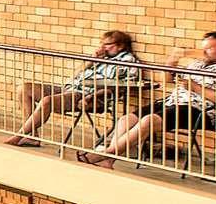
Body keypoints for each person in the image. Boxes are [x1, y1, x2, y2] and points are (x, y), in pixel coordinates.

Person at [86, 30, 216, 164]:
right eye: (203, 49)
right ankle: (108, 161)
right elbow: (165, 80)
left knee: (149, 121)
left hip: (199, 111)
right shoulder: (197, 64)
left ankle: (108, 153)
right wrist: (171, 62)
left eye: (209, 49)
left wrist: (195, 87)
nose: (204, 52)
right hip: (171, 103)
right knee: (126, 119)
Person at [8, 30, 144, 146]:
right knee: (25, 88)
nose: (103, 47)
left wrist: (92, 96)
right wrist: (92, 60)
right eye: (102, 44)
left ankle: (20, 135)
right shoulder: (101, 57)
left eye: (108, 44)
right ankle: (31, 135)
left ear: (120, 46)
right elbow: (75, 75)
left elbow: (121, 87)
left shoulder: (127, 60)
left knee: (47, 101)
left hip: (86, 95)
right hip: (70, 88)